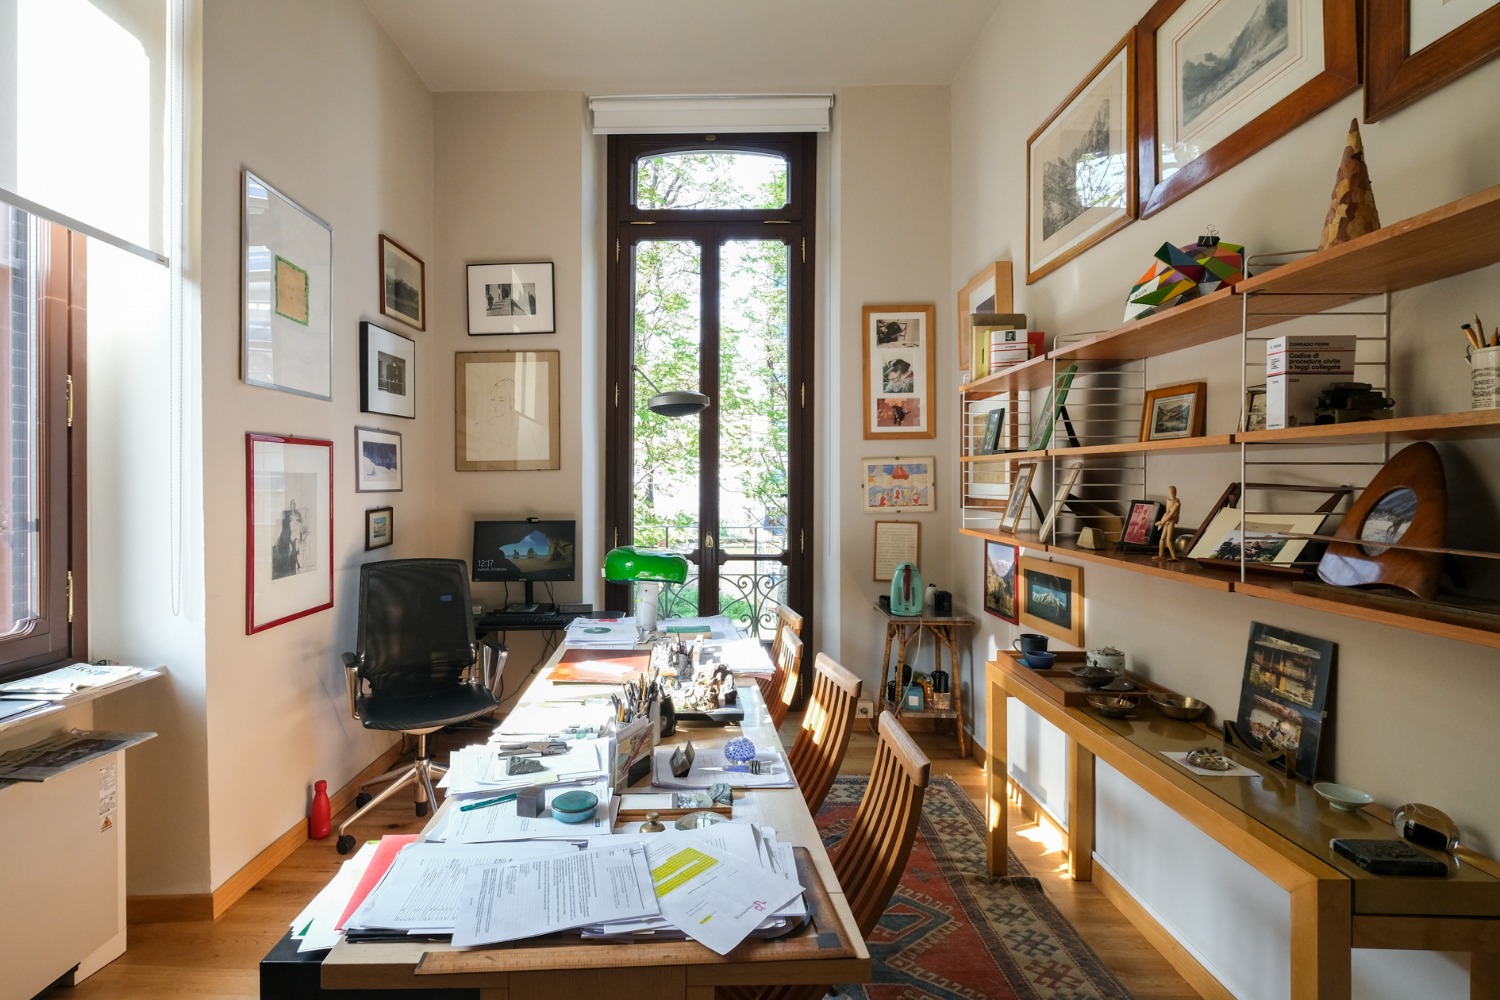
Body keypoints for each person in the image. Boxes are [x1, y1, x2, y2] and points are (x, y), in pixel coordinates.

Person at [1156, 485, 1181, 561]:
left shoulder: (1177, 503)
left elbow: (1171, 514)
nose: (1171, 493)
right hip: (1167, 521)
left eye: (1172, 491)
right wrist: (1162, 521)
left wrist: (1161, 522)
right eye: (1169, 492)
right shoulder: (1168, 500)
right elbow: (1167, 512)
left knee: (1168, 539)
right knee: (1162, 538)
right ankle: (1161, 555)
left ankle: (1174, 557)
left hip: (1171, 521)